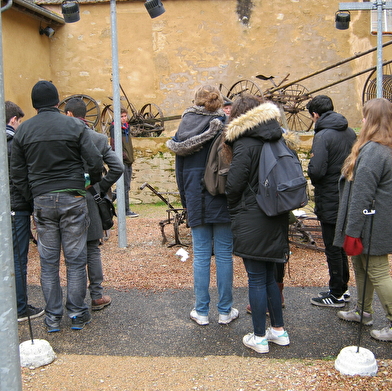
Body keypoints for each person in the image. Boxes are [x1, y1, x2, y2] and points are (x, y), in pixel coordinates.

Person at [11, 80, 103, 333]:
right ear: (56, 101)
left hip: (41, 198)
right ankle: (76, 313)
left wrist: (32, 196)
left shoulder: (24, 130)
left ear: (34, 104)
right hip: (72, 197)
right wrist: (87, 183)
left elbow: (17, 172)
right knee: (75, 260)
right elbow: (95, 161)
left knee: (48, 262)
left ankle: (52, 318)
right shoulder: (74, 124)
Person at [166, 84, 238, 326]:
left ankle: (202, 312)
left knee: (201, 256)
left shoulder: (183, 128)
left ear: (195, 101)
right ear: (219, 103)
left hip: (195, 196)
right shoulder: (226, 127)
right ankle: (226, 311)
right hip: (222, 195)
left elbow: (179, 173)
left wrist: (187, 203)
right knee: (225, 255)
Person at [225, 93, 290, 354]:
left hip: (252, 215)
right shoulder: (277, 136)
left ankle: (260, 337)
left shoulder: (245, 142)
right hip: (277, 213)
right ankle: (278, 330)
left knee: (255, 277)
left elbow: (234, 184)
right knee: (270, 276)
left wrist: (233, 205)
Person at [334, 98, 392, 342]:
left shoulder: (374, 151)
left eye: (366, 116)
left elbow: (362, 196)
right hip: (373, 221)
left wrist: (352, 231)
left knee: (377, 270)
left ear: (374, 120)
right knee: (362, 266)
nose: (363, 120)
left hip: (371, 223)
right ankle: (363, 311)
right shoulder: (381, 147)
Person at [64, 97, 123, 311]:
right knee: (92, 249)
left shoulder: (63, 137)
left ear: (69, 114)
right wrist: (99, 186)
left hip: (66, 197)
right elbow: (118, 168)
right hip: (90, 197)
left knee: (72, 251)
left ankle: (75, 301)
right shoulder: (98, 138)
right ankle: (96, 296)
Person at [306, 95, 356, 308]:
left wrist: (310, 171)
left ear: (315, 115)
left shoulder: (323, 136)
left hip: (329, 195)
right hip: (348, 193)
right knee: (342, 244)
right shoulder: (350, 131)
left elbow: (317, 170)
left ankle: (336, 293)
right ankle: (342, 288)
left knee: (332, 246)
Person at [5, 101, 44, 322]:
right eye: (19, 121)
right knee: (18, 259)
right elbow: (20, 178)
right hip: (15, 208)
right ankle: (20, 307)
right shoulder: (12, 142)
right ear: (13, 120)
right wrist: (31, 201)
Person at [109, 107, 138, 217]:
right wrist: (123, 156)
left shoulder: (126, 128)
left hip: (128, 160)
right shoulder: (114, 128)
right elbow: (114, 146)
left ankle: (106, 202)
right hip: (123, 161)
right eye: (121, 116)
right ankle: (125, 210)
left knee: (125, 186)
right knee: (124, 186)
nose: (124, 118)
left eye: (125, 116)